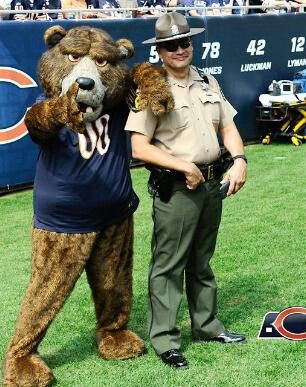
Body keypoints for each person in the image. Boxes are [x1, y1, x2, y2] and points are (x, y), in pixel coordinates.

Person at [124, 12, 248, 369]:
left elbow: (228, 128)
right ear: (160, 51)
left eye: (185, 42)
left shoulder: (208, 81)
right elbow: (139, 147)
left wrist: (239, 160)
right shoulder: (153, 88)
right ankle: (164, 340)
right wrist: (183, 165)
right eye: (171, 45)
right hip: (177, 190)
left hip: (212, 184)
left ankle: (207, 327)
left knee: (201, 261)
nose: (180, 50)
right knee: (168, 265)